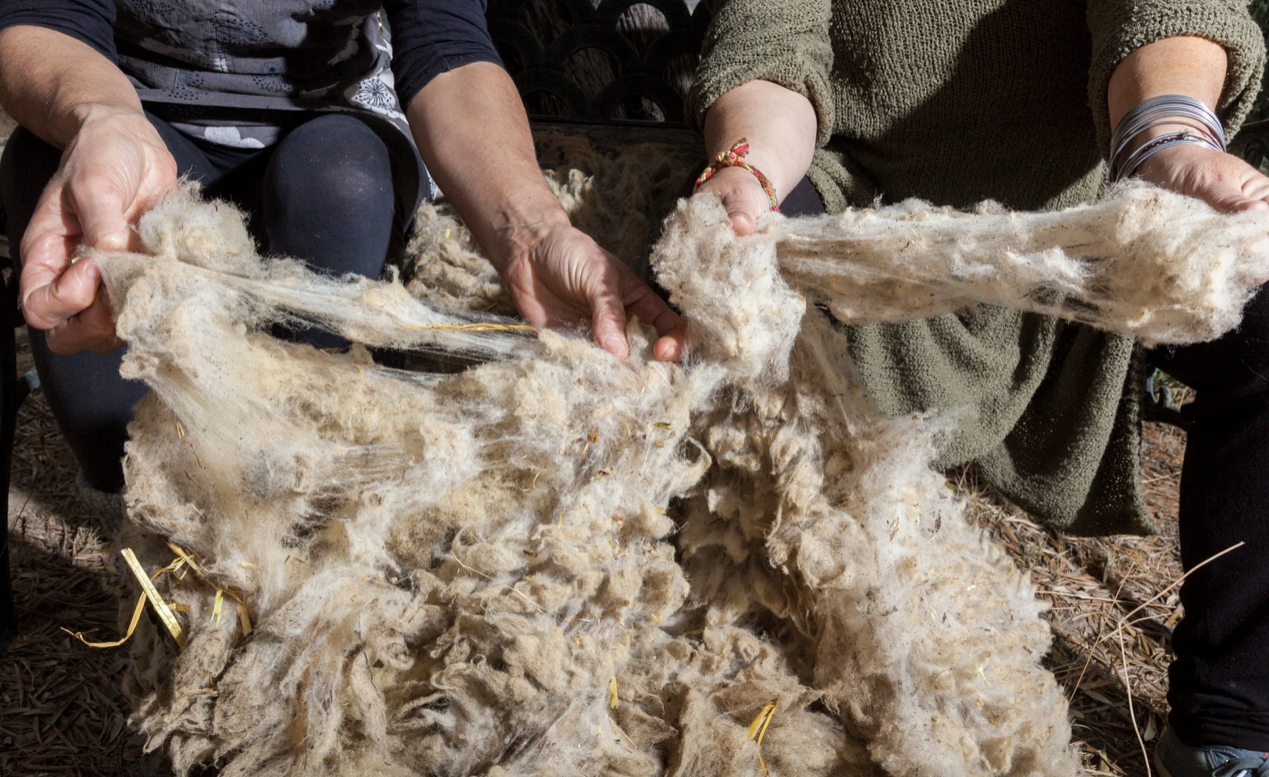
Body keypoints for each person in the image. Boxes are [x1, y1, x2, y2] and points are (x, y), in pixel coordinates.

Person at [689, 2, 1269, 775]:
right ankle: (789, 654)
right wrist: (750, 171)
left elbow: (1160, 9)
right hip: (858, 204)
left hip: (1088, 226)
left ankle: (1228, 719)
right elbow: (769, 47)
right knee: (735, 294)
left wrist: (1163, 137)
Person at [0, 0, 687, 496]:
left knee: (338, 183)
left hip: (333, 123)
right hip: (138, 117)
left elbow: (444, 44)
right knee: (116, 437)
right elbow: (41, 18)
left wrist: (533, 229)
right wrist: (103, 117)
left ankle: (308, 480)